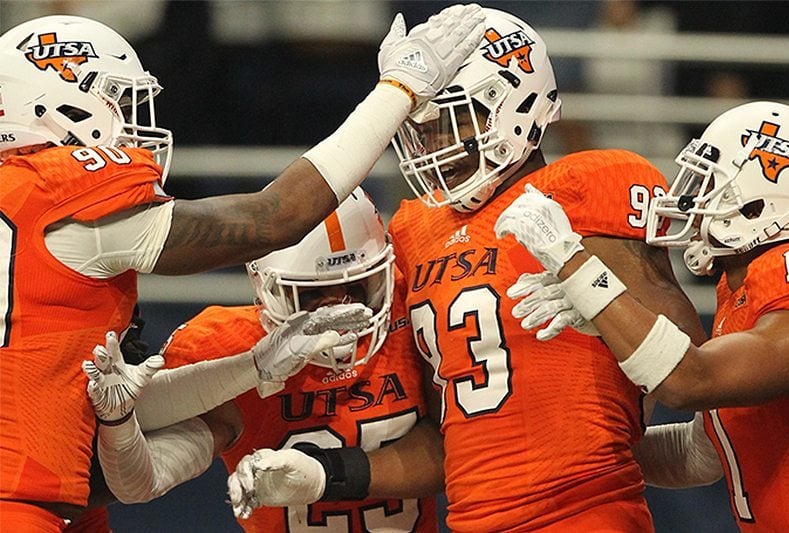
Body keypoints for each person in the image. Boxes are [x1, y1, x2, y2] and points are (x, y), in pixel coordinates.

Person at [0, 7, 486, 531]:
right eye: (116, 100)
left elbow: (84, 410)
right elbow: (275, 218)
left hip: (55, 493)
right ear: (57, 107)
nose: (131, 123)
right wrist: (399, 90)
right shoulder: (59, 196)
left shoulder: (24, 204)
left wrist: (252, 368)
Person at [225, 6, 708, 531]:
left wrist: (599, 296)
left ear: (512, 106)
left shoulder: (589, 186)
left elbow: (690, 368)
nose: (434, 145)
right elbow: (449, 436)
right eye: (423, 129)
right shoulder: (414, 229)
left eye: (451, 121)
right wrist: (327, 474)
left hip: (587, 511)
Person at [494, 100, 789, 532]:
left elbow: (691, 379)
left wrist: (575, 264)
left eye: (710, 185)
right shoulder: (739, 288)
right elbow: (702, 452)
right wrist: (568, 454)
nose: (690, 202)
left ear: (760, 202)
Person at [76, 188, 439, 532]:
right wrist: (120, 421)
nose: (339, 306)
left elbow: (455, 449)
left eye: (359, 285)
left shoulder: (414, 310)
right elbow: (137, 482)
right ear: (266, 290)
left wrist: (325, 475)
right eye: (310, 294)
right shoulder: (225, 344)